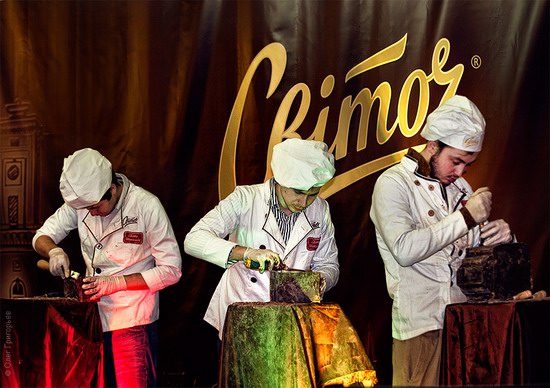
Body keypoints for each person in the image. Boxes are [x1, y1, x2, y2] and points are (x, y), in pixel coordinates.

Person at [369, 95, 514, 386]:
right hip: (420, 326)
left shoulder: (461, 188)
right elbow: (404, 249)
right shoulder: (393, 183)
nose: (460, 172)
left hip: (466, 323)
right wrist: (465, 218)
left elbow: (475, 260)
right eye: (456, 161)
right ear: (433, 145)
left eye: (467, 166)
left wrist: (503, 239)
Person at [33, 148, 182, 387]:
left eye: (95, 207)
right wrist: (54, 251)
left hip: (132, 320)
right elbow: (42, 235)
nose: (91, 213)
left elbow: (171, 270)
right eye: (86, 209)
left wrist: (117, 283)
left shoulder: (146, 205)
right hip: (91, 321)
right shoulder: (81, 204)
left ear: (112, 190)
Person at [184, 138, 340, 340]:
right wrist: (247, 252)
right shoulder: (245, 198)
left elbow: (329, 265)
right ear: (281, 180)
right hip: (242, 315)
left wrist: (317, 282)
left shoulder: (320, 209)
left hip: (291, 321)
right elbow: (194, 240)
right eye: (299, 192)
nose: (304, 202)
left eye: (312, 194)